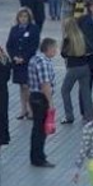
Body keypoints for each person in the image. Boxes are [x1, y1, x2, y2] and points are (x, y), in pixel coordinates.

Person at [28, 38, 58, 167]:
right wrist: (50, 102)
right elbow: (45, 84)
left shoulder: (35, 58)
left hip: (34, 96)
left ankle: (37, 155)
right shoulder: (43, 62)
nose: (56, 51)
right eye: (55, 48)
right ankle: (38, 158)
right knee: (40, 129)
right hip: (41, 98)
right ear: (49, 48)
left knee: (37, 127)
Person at [7, 8, 40, 121]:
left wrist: (24, 58)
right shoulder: (14, 29)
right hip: (17, 62)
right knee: (22, 86)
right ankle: (23, 109)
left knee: (28, 86)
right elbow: (9, 45)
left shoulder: (34, 29)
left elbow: (34, 45)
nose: (23, 19)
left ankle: (31, 109)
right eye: (21, 17)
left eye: (25, 16)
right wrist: (14, 57)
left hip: (28, 61)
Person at [60, 16, 93, 124]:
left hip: (73, 68)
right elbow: (91, 50)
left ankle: (69, 116)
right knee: (86, 92)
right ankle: (89, 116)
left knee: (65, 90)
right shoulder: (82, 36)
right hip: (85, 67)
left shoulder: (67, 39)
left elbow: (63, 54)